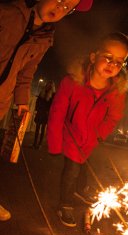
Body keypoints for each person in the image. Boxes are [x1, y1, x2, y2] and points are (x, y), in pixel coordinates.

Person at [0, 0, 93, 221]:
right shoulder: (7, 12)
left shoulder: (44, 39)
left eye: (68, 8)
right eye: (60, 0)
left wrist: (22, 101)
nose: (61, 8)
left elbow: (25, 74)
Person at [47, 32, 128, 227]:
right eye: (108, 57)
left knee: (83, 164)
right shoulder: (72, 82)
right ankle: (65, 204)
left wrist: (98, 134)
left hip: (90, 139)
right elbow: (57, 112)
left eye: (119, 61)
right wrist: (55, 143)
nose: (113, 64)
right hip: (70, 135)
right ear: (94, 57)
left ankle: (80, 189)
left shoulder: (116, 92)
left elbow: (114, 117)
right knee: (71, 170)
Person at [32, 80, 55, 149]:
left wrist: (49, 112)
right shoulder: (42, 92)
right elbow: (37, 101)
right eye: (48, 84)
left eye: (50, 85)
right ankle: (34, 143)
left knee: (42, 130)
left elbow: (53, 104)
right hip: (40, 112)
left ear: (52, 87)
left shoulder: (53, 94)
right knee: (37, 128)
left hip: (46, 113)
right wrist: (36, 109)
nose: (48, 86)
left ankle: (39, 144)